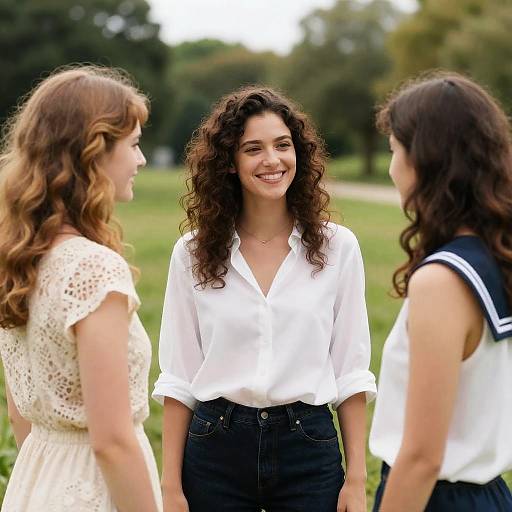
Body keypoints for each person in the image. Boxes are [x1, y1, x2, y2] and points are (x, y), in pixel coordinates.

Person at [152, 86, 377, 512]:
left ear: (299, 153)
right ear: (230, 163)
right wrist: (170, 488)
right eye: (253, 148)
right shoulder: (193, 253)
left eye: (283, 145)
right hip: (214, 447)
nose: (272, 160)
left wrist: (356, 479)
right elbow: (179, 376)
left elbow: (351, 370)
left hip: (308, 445)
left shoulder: (338, 248)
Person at [0, 66, 162, 511]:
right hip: (97, 489)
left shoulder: (19, 259)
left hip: (38, 481)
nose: (141, 160)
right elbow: (111, 440)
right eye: (133, 145)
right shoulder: (92, 269)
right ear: (94, 152)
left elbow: (20, 414)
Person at [369, 72, 512, 511]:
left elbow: (422, 457)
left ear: (423, 159)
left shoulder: (442, 281)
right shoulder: (497, 257)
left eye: (394, 150)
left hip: (437, 499)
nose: (392, 167)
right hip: (490, 494)